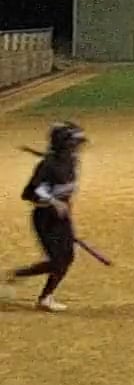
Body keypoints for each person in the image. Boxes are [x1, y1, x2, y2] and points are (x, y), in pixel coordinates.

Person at [11, 121, 91, 312]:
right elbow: (28, 193)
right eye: (74, 143)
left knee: (67, 258)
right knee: (58, 260)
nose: (77, 147)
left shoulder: (70, 161)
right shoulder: (47, 166)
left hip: (62, 217)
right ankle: (23, 278)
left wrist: (63, 206)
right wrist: (53, 201)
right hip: (45, 218)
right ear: (65, 144)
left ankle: (44, 296)